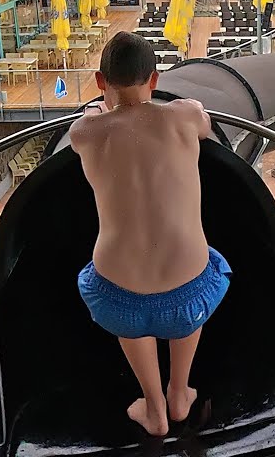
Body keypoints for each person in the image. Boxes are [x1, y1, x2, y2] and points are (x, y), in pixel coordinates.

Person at [69, 31, 231, 437]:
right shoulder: (181, 117)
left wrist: (97, 110)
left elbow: (87, 122)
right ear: (155, 79)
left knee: (131, 305)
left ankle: (153, 405)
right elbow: (202, 119)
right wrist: (187, 105)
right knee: (197, 270)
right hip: (189, 298)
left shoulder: (86, 133)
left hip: (116, 301)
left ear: (100, 81)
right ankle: (180, 392)